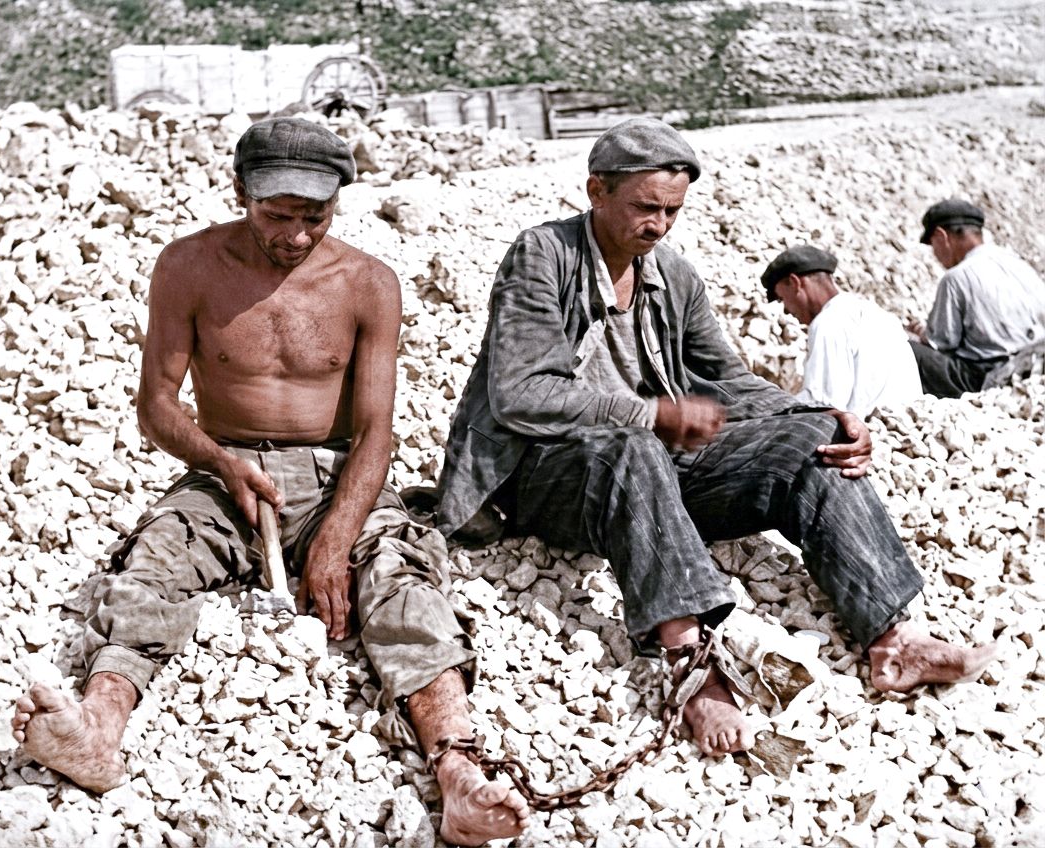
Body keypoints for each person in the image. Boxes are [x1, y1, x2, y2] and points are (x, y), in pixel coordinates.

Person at [10, 118, 528, 846]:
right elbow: (158, 407)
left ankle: (459, 771)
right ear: (240, 193)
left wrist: (335, 540)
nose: (294, 236)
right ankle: (98, 727)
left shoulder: (368, 283)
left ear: (339, 205)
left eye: (313, 218)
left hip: (335, 471)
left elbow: (377, 430)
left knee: (402, 578)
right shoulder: (186, 267)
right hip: (226, 466)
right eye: (275, 216)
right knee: (153, 567)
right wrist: (223, 465)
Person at [437, 118, 996, 758]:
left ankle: (892, 641)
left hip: (651, 470)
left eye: (672, 210)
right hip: (547, 477)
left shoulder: (673, 275)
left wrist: (814, 412)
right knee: (634, 444)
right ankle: (691, 664)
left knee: (809, 439)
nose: (660, 224)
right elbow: (521, 395)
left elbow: (728, 378)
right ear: (596, 190)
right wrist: (652, 415)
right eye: (646, 207)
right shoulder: (542, 256)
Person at [762, 245, 922, 418]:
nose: (786, 310)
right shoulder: (875, 313)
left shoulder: (828, 322)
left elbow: (822, 404)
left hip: (870, 433)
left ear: (795, 283)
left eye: (782, 299)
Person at [907, 198, 1045, 398]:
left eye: (933, 246)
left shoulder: (956, 277)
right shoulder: (1017, 263)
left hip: (993, 376)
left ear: (941, 236)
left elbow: (942, 343)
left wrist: (922, 332)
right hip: (1036, 363)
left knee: (907, 349)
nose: (935, 254)